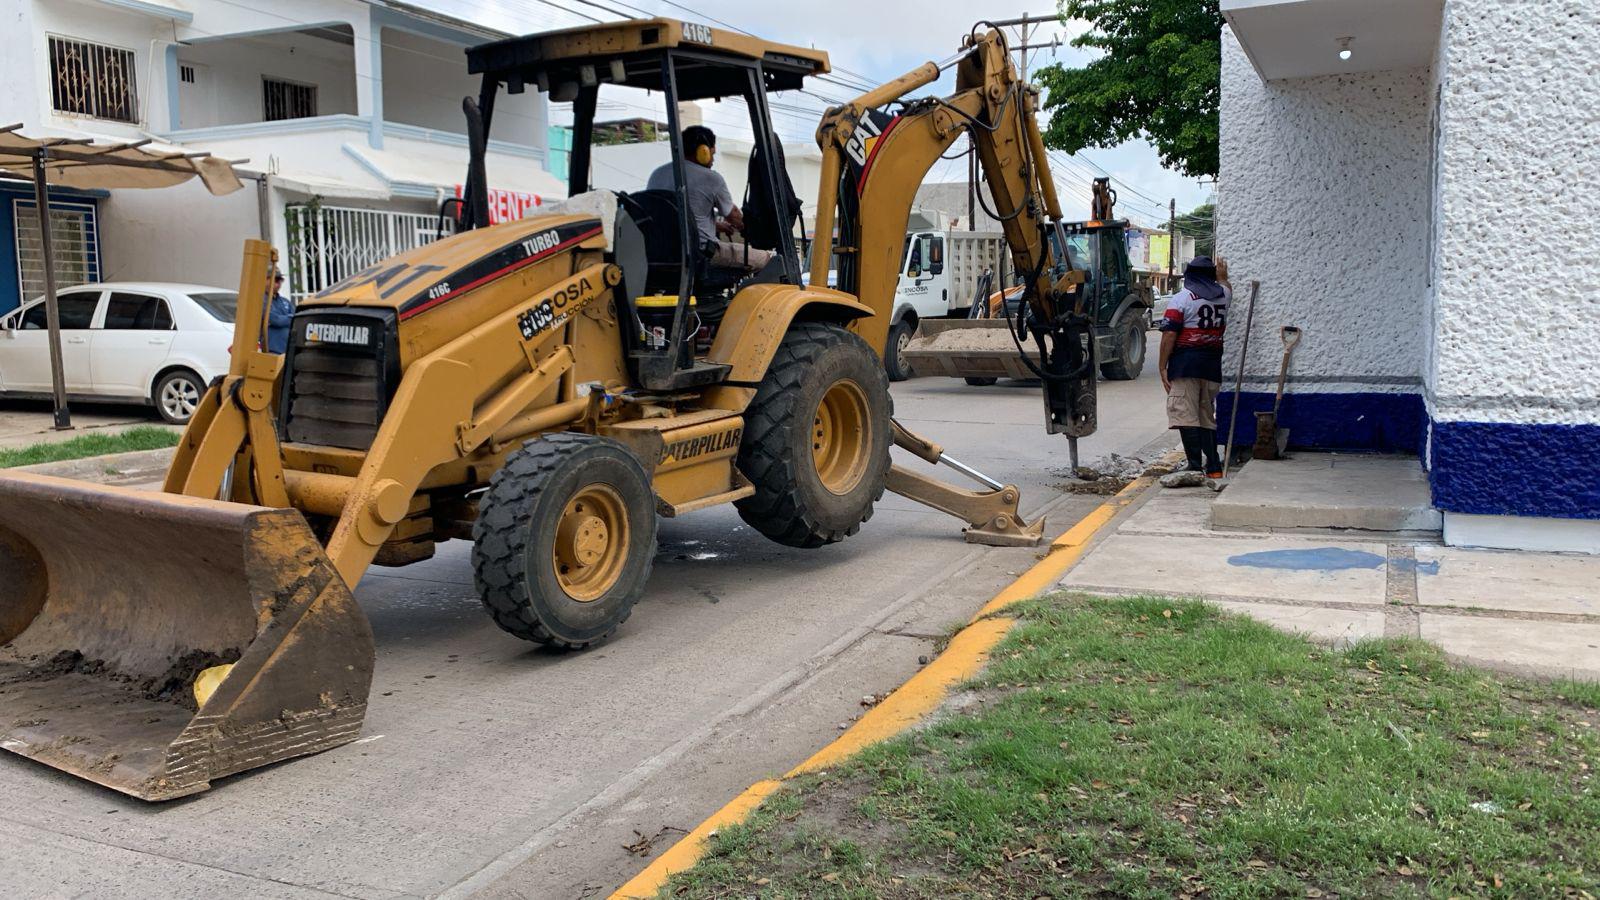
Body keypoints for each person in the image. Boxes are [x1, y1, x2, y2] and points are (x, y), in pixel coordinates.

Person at [646, 126, 773, 274]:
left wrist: (717, 226)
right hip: (702, 253)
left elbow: (678, 218)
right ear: (703, 151)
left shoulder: (657, 174)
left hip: (663, 253)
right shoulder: (711, 178)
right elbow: (734, 217)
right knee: (769, 260)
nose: (712, 160)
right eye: (712, 154)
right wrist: (752, 226)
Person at [1158, 256, 1231, 477]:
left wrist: (1162, 366)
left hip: (1186, 365)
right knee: (1206, 414)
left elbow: (1170, 334)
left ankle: (1194, 466)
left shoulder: (1181, 299)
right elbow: (1226, 286)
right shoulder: (1225, 296)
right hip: (1212, 365)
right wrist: (1222, 276)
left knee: (1184, 414)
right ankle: (1214, 467)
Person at [265, 269, 295, 354]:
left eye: (281, 280)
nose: (279, 283)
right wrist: (290, 317)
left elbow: (296, 318)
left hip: (288, 351)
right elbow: (275, 320)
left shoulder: (285, 301)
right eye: (276, 280)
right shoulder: (262, 301)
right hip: (272, 351)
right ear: (266, 280)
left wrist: (286, 319)